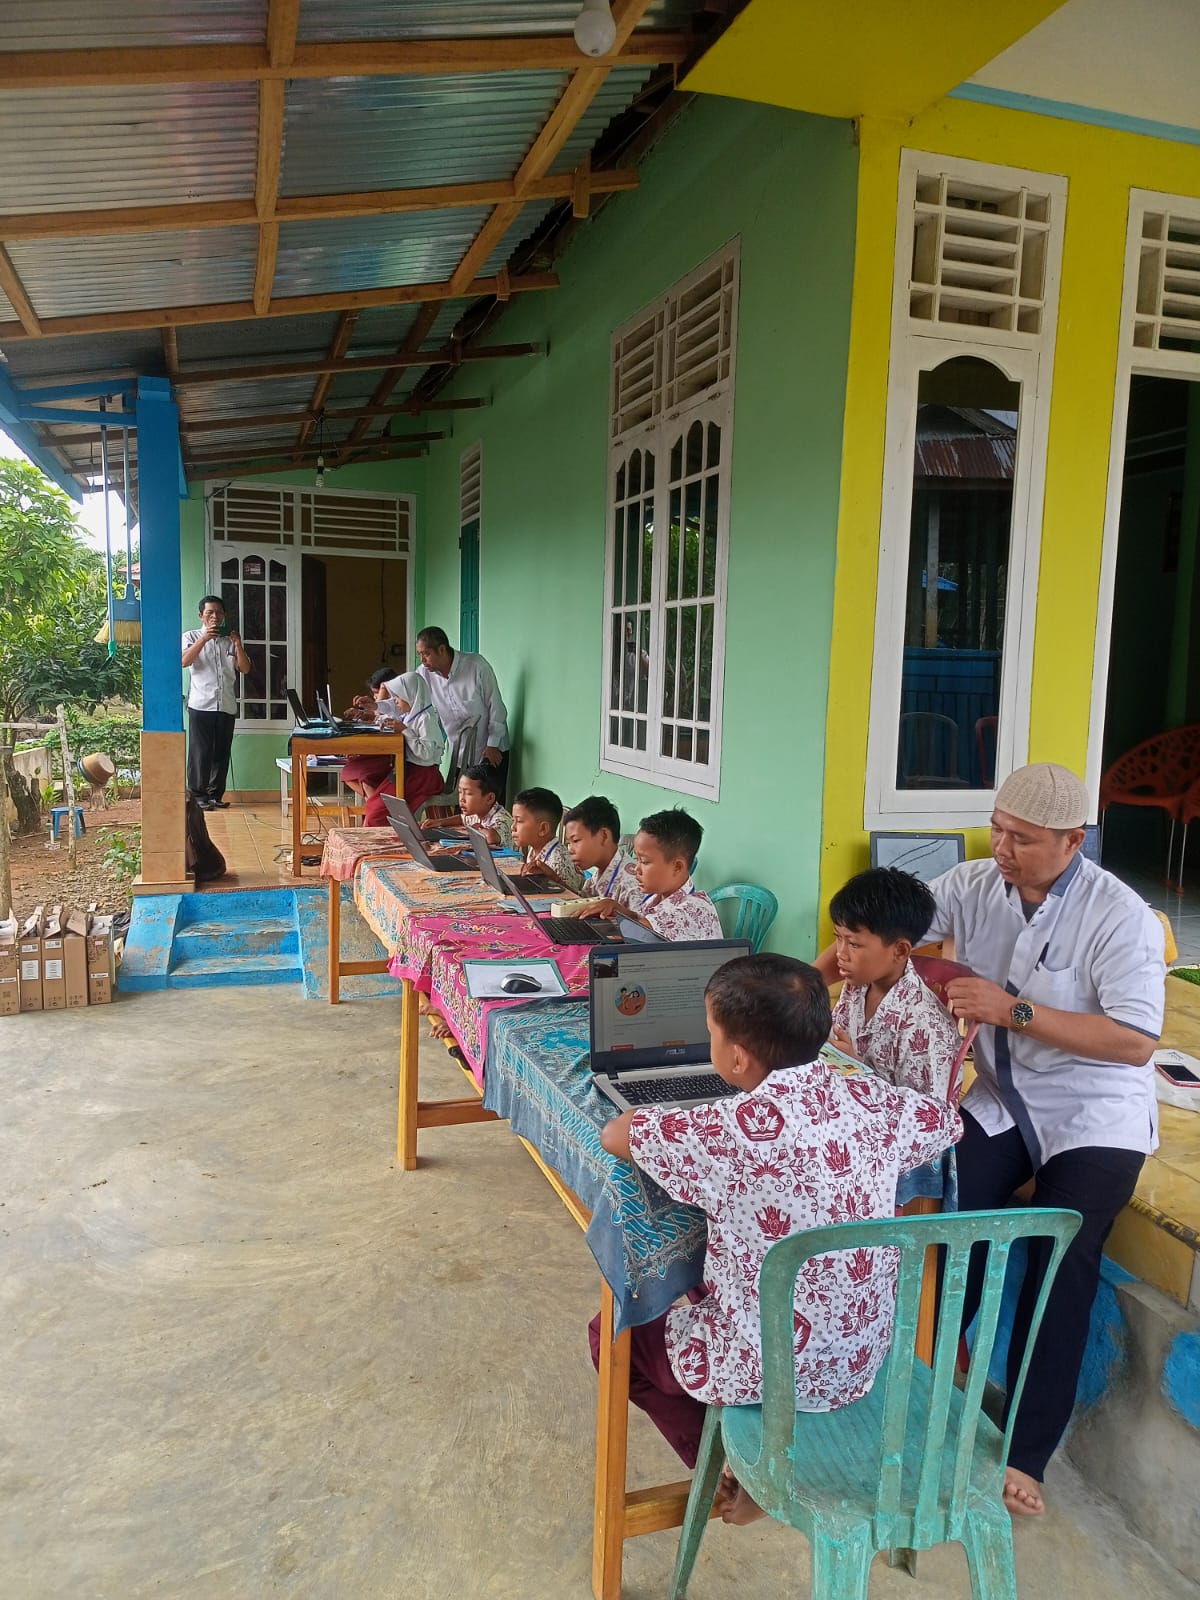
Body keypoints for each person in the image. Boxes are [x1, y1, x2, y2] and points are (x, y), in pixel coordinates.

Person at [813, 762, 1166, 1518]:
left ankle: (1026, 1455)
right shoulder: (975, 884)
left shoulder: (1120, 915)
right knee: (939, 1213)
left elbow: (1136, 1040)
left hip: (1092, 1110)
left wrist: (1017, 1013)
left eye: (1024, 839)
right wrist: (801, 989)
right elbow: (883, 931)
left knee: (1059, 1255)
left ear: (1075, 841)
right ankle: (911, 1384)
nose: (1002, 848)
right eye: (998, 829)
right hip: (1003, 1099)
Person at [594, 953, 962, 1523]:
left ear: (737, 1057)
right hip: (859, 1357)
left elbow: (617, 1133)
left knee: (610, 1333)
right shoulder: (872, 1103)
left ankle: (737, 1471)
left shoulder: (719, 1130)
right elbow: (945, 1121)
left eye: (711, 1033)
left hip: (764, 1367)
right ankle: (746, 1464)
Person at [828, 867, 961, 1101]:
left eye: (854, 944)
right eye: (838, 938)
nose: (841, 954)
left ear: (900, 950)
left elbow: (929, 1119)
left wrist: (857, 1071)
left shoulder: (925, 1025)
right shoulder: (857, 983)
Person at [408, 626, 511, 800]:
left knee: (491, 806)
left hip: (490, 749)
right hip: (461, 752)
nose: (423, 660)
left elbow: (496, 706)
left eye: (426, 654)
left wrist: (493, 744)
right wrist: (377, 706)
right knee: (463, 806)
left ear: (442, 649)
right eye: (420, 654)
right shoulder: (423, 674)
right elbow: (407, 700)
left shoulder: (476, 666)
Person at [590, 808, 722, 940]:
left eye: (645, 862)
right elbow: (644, 921)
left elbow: (634, 933)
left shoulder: (694, 910)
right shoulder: (657, 896)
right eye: (637, 859)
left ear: (677, 866)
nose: (637, 869)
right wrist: (619, 909)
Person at [181, 595, 250, 810]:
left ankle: (215, 795)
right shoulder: (191, 636)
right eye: (210, 613)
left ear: (224, 616)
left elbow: (245, 668)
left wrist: (238, 644)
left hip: (226, 705)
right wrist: (204, 640)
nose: (215, 617)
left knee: (222, 752)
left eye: (219, 613)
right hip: (201, 704)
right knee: (200, 753)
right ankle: (197, 796)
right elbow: (184, 661)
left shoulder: (230, 640)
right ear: (201, 616)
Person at [359, 670, 448, 828]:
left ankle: (383, 847)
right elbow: (394, 718)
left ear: (411, 696)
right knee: (372, 802)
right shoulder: (411, 715)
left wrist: (404, 730)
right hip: (409, 770)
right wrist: (375, 717)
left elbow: (426, 754)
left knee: (375, 813)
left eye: (399, 698)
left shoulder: (426, 719)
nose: (396, 702)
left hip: (423, 776)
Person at [563, 796, 641, 906]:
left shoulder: (632, 885)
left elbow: (637, 922)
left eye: (575, 840)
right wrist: (553, 878)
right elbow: (582, 902)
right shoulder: (600, 872)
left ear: (604, 836)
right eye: (568, 843)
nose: (570, 850)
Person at [510, 787, 587, 893]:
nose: (513, 827)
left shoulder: (558, 863)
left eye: (519, 821)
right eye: (513, 820)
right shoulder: (536, 849)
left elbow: (568, 902)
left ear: (543, 829)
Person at [444, 762, 514, 849]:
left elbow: (490, 837)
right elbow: (462, 819)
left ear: (489, 798)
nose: (462, 799)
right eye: (460, 792)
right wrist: (439, 822)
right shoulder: (477, 812)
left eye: (468, 793)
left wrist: (472, 831)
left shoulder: (502, 819)